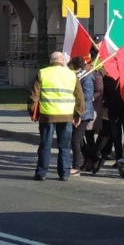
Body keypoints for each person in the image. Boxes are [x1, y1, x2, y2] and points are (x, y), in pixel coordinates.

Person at [27, 51, 85, 181]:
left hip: (47, 115)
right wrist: (78, 114)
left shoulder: (43, 73)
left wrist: (32, 112)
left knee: (45, 145)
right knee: (64, 146)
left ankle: (41, 173)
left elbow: (33, 95)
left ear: (51, 61)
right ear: (63, 61)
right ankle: (64, 174)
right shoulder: (71, 75)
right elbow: (80, 97)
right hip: (67, 115)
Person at [68, 57, 95, 177]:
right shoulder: (77, 76)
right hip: (76, 111)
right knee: (78, 140)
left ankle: (76, 167)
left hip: (84, 113)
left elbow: (88, 95)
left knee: (75, 139)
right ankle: (95, 157)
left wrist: (73, 93)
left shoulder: (87, 77)